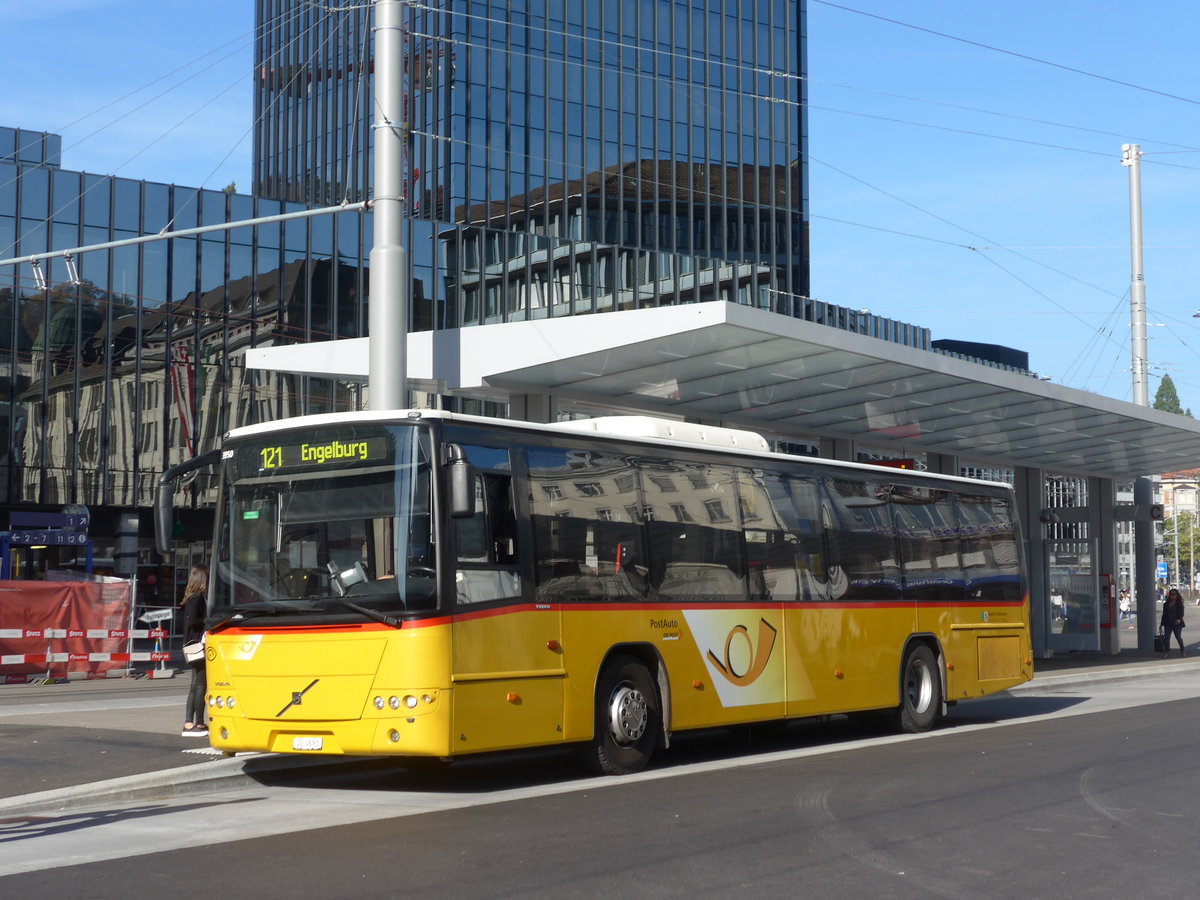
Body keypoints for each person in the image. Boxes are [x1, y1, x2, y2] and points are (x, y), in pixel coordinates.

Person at [180, 563, 209, 735]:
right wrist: (208, 621)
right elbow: (192, 622)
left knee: (195, 685)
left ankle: (190, 722)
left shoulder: (192, 597)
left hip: (191, 645)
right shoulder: (197, 598)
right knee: (200, 685)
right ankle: (197, 723)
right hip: (197, 645)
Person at [1160, 586, 1186, 659]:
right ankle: (1167, 652)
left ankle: (1182, 650)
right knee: (1166, 638)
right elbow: (1164, 614)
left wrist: (1179, 619)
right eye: (1171, 594)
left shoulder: (1179, 604)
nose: (1172, 596)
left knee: (1178, 637)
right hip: (1167, 623)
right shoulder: (1166, 604)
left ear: (1177, 595)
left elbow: (1181, 613)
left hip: (1177, 624)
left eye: (1174, 594)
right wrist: (1161, 624)